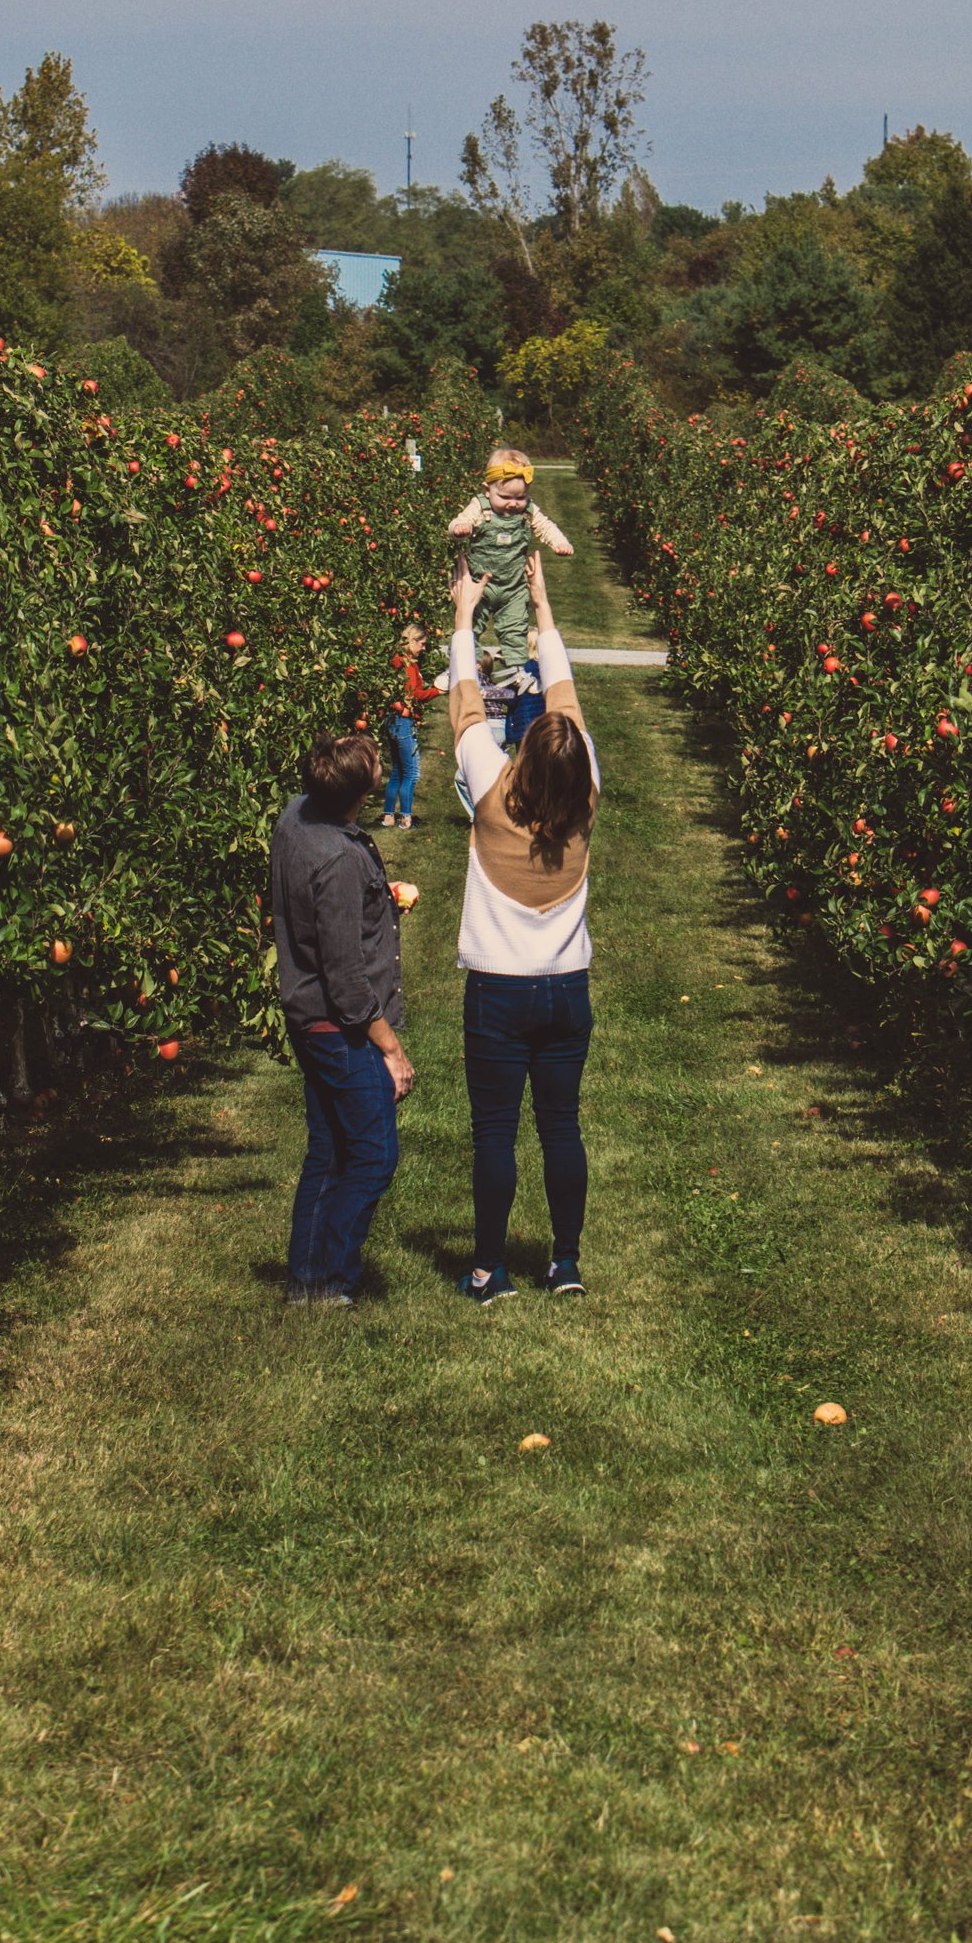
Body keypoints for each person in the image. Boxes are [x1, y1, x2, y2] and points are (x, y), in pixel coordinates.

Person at [445, 541, 599, 1305]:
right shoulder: (587, 795)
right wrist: (543, 608)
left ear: (523, 756)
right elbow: (566, 699)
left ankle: (488, 1268)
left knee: (495, 1134)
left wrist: (464, 614)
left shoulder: (488, 785)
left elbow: (467, 699)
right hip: (567, 991)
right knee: (561, 1129)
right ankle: (565, 1262)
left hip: (499, 995)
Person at [267, 726, 414, 1304]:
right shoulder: (338, 862)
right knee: (374, 1154)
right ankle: (332, 1276)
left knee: (327, 1149)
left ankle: (304, 1279)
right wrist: (391, 1050)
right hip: (339, 1028)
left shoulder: (295, 817)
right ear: (361, 794)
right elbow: (348, 983)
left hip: (305, 1014)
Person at [447, 449, 574, 700]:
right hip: (480, 584)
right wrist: (459, 529)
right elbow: (459, 521)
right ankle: (465, 665)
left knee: (515, 629)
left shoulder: (527, 513)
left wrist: (559, 543)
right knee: (470, 624)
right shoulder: (480, 509)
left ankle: (516, 670)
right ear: (488, 489)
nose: (513, 503)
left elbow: (545, 526)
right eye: (504, 497)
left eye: (521, 497)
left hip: (513, 586)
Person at [381, 620, 429, 834]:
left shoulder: (396, 661)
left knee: (397, 772)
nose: (424, 648)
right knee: (411, 772)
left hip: (392, 720)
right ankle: (406, 819)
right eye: (422, 643)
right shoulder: (408, 665)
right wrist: (437, 691)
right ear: (412, 640)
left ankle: (389, 816)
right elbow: (414, 695)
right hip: (403, 722)